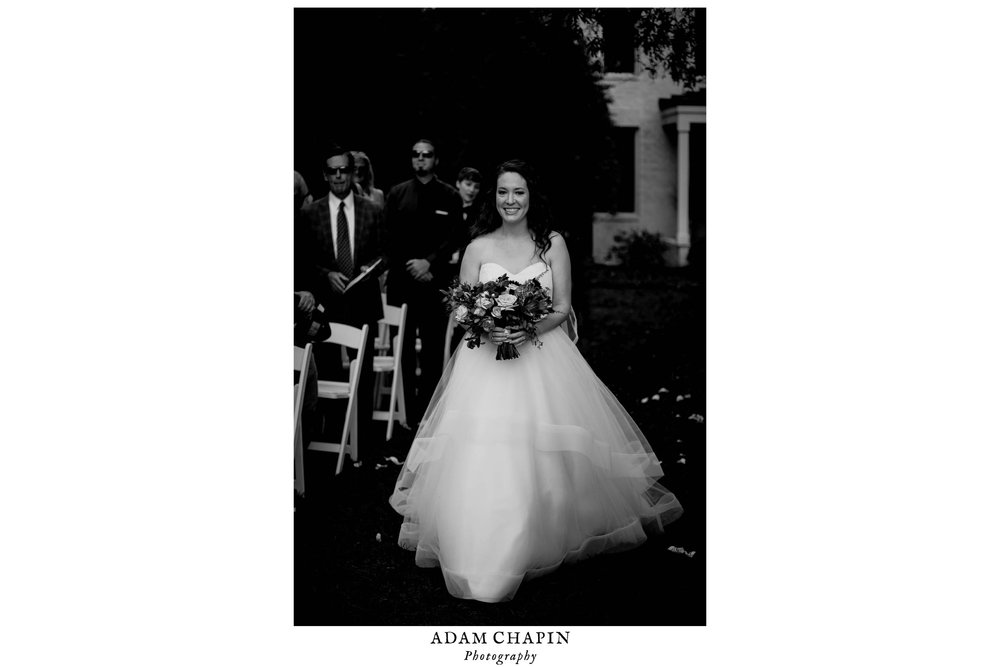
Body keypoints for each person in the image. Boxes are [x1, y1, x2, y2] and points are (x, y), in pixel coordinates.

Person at [389, 160, 683, 603]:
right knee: (482, 451)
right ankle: (477, 545)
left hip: (541, 359)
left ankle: (536, 538)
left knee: (538, 450)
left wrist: (527, 328)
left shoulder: (551, 243)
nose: (510, 200)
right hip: (484, 365)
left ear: (531, 197)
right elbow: (462, 307)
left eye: (519, 192)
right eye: (503, 192)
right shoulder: (478, 247)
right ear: (494, 198)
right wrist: (486, 326)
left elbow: (562, 306)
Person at [299, 145, 388, 453]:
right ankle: (329, 438)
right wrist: (325, 274)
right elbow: (302, 260)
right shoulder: (310, 213)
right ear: (325, 175)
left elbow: (386, 253)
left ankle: (360, 443)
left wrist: (370, 268)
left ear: (352, 173)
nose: (339, 176)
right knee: (326, 372)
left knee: (362, 374)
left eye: (344, 170)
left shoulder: (373, 209)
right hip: (327, 303)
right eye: (332, 171)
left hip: (363, 300)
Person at [384, 138, 464, 423]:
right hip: (403, 285)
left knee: (432, 354)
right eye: (416, 154)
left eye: (426, 155)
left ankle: (427, 416)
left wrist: (429, 262)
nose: (420, 159)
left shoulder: (450, 196)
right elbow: (390, 237)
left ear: (436, 160)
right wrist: (413, 265)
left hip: (434, 284)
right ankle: (404, 414)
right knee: (402, 350)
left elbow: (455, 236)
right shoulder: (397, 193)